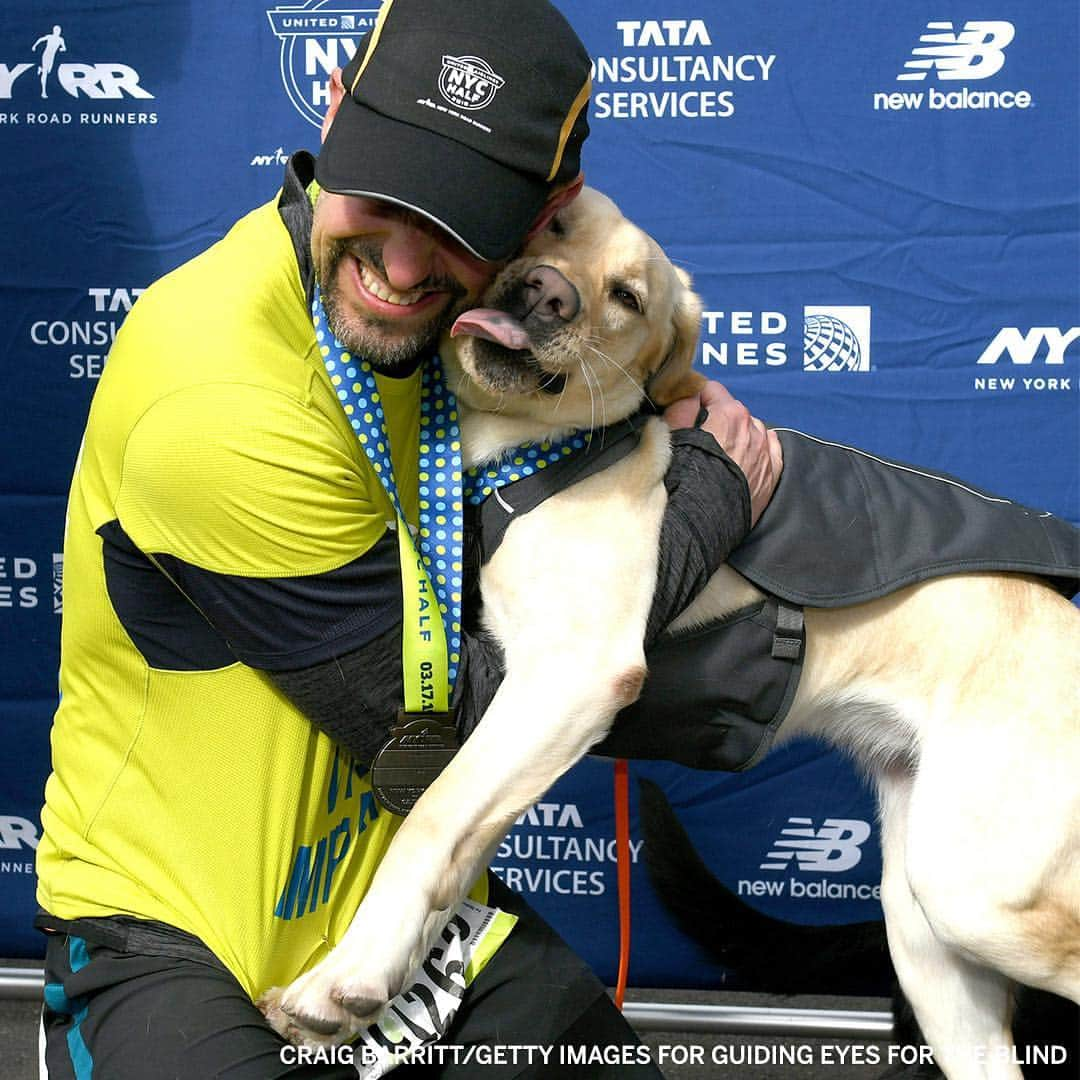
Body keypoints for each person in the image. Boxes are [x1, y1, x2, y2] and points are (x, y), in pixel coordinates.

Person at [34, 1, 781, 1076]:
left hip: (397, 908)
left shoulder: (478, 338)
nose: (401, 261)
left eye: (463, 219)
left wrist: (660, 408)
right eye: (382, 191)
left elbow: (636, 392)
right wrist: (705, 498)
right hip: (175, 934)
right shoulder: (215, 394)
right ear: (332, 107)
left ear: (547, 213)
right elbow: (426, 734)